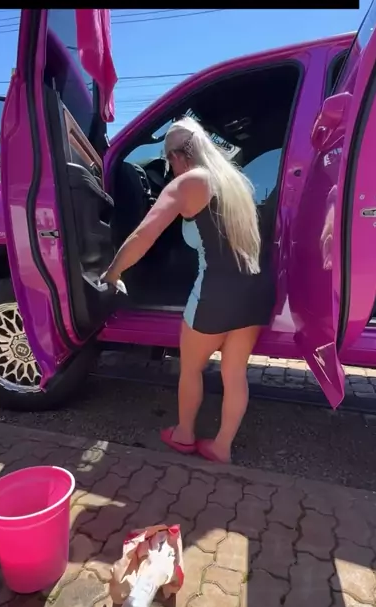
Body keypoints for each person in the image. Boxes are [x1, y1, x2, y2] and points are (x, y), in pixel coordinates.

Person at [103, 116, 275, 463]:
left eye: (167, 159)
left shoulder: (188, 182)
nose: (170, 168)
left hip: (215, 296)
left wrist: (113, 272)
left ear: (176, 156)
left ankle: (184, 434)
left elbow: (143, 236)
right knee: (234, 374)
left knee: (192, 368)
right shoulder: (237, 182)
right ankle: (222, 447)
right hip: (256, 292)